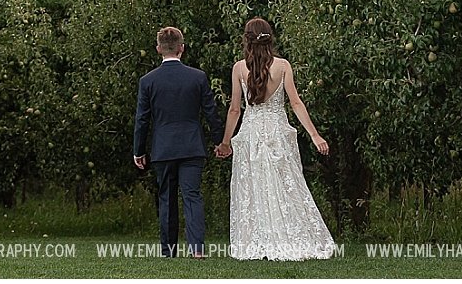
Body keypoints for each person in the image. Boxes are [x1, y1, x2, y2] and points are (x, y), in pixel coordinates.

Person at [215, 17, 336, 260]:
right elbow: (296, 103)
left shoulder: (239, 68)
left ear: (246, 40)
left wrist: (226, 141)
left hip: (250, 133)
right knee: (287, 186)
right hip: (277, 132)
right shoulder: (282, 66)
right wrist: (314, 134)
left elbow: (235, 109)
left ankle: (258, 241)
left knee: (255, 187)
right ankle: (289, 237)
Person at [133, 26, 225, 258]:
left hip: (163, 148)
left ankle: (169, 250)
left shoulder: (148, 81)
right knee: (192, 195)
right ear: (182, 48)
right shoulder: (198, 77)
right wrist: (219, 141)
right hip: (192, 146)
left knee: (167, 198)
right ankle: (197, 249)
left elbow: (142, 119)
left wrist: (138, 150)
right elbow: (210, 113)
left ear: (158, 49)